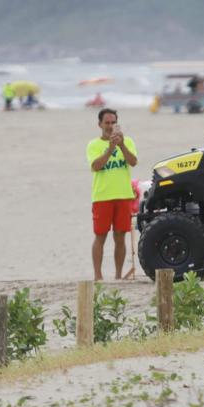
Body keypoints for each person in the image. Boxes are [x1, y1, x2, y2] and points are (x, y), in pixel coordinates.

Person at [87, 108, 138, 281]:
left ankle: (118, 275)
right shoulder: (93, 145)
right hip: (102, 196)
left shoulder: (128, 141)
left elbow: (133, 162)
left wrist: (121, 145)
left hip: (123, 195)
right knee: (100, 236)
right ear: (100, 124)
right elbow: (96, 166)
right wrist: (110, 149)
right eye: (107, 123)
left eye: (113, 123)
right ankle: (98, 276)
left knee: (120, 237)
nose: (110, 126)